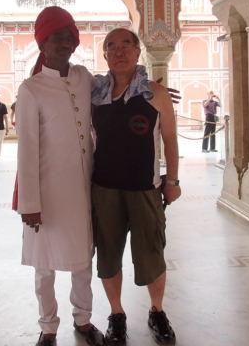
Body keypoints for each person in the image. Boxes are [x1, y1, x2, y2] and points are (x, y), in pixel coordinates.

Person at [15, 6, 105, 346]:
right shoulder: (32, 89)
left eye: (69, 36)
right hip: (47, 193)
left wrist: (148, 88)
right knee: (45, 265)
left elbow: (115, 88)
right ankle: (48, 326)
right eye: (56, 37)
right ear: (42, 44)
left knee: (83, 259)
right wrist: (29, 204)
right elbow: (26, 150)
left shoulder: (83, 77)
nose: (64, 42)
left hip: (82, 189)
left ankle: (83, 319)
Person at [90, 28, 181, 345]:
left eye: (126, 45)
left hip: (145, 188)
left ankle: (157, 311)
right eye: (111, 46)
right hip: (104, 189)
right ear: (105, 55)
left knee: (152, 253)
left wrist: (172, 181)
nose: (119, 51)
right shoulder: (95, 94)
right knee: (108, 255)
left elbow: (170, 139)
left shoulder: (155, 93)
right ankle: (116, 314)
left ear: (138, 51)